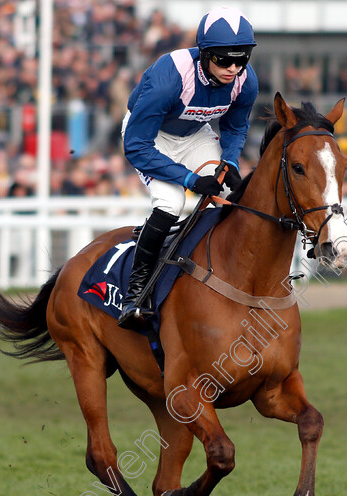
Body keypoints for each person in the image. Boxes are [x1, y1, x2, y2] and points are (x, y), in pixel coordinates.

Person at [117, 6, 259, 329]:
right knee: (172, 202)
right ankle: (135, 294)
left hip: (194, 134)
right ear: (205, 53)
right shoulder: (170, 77)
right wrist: (190, 179)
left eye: (241, 59)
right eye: (224, 60)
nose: (233, 68)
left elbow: (236, 128)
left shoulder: (245, 81)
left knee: (227, 192)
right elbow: (136, 145)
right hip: (150, 138)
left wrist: (231, 160)